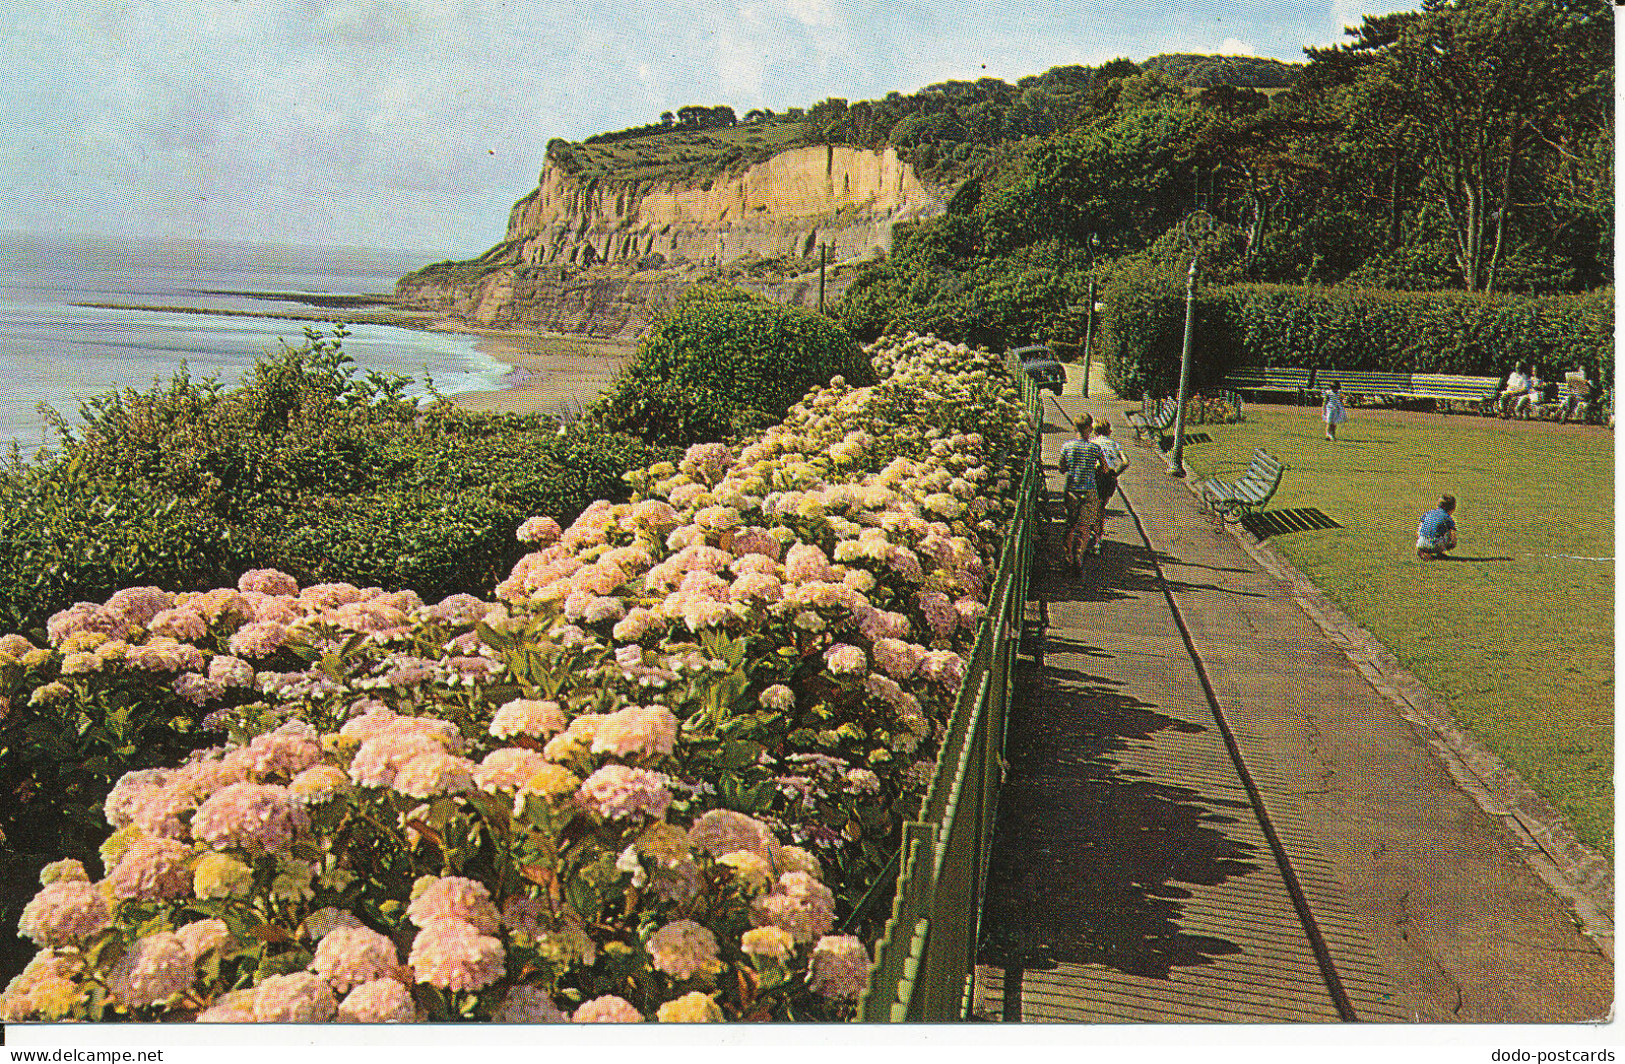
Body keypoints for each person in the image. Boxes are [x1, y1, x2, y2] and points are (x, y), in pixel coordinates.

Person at [1058, 414, 1106, 568]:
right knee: (1085, 526)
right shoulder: (1095, 448)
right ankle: (1079, 556)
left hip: (1072, 488)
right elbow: (1105, 468)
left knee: (1071, 524)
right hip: (1089, 488)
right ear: (1090, 429)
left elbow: (1062, 468)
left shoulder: (1067, 447)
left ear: (1074, 427)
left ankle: (1068, 556)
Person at [1091, 419, 1129, 541]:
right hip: (1109, 478)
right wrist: (1115, 474)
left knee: (1092, 506)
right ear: (1109, 431)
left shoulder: (1092, 442)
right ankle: (1098, 537)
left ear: (1095, 432)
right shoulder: (1115, 444)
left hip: (1095, 475)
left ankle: (1091, 533)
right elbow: (1125, 462)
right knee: (1101, 508)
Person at [1415, 494, 1458, 560]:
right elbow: (1453, 537)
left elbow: (1421, 523)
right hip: (1435, 545)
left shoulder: (1429, 513)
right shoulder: (1448, 518)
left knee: (1427, 526)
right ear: (1453, 508)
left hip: (1421, 542)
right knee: (1447, 532)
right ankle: (1438, 551)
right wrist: (1452, 545)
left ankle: (1421, 550)